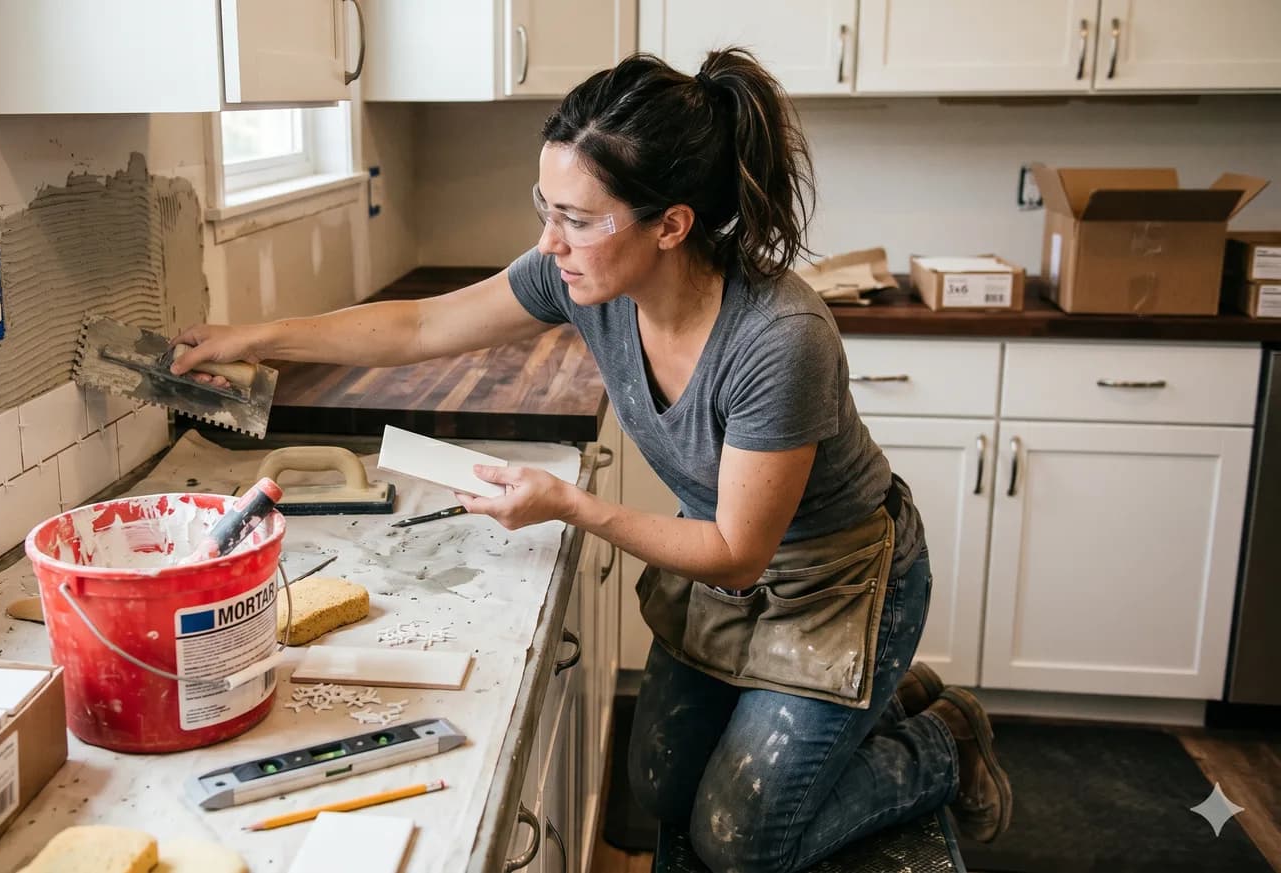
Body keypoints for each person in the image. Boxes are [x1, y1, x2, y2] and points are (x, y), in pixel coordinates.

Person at [172, 47, 1012, 873]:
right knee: (657, 785)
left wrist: (569, 503)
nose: (551, 241)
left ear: (672, 225)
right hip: (724, 561)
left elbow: (737, 550)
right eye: (548, 207)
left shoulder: (778, 340)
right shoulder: (583, 280)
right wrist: (257, 335)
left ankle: (946, 739)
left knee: (740, 838)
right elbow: (421, 328)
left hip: (835, 580)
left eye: (576, 219)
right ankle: (870, 709)